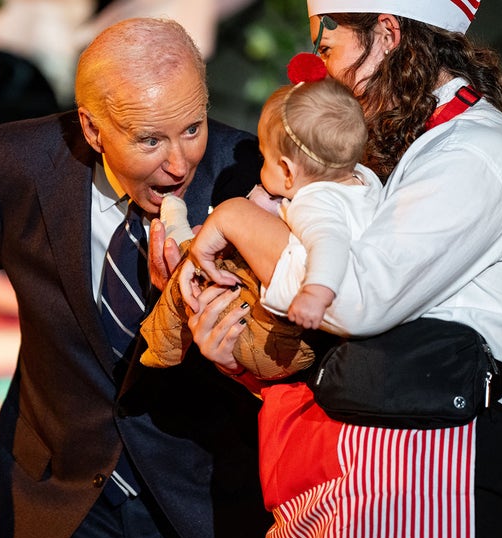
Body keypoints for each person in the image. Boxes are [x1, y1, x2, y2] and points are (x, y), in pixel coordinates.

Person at [0, 17, 273, 538]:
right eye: (149, 139)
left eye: (192, 128)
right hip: (58, 494)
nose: (179, 163)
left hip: (198, 498)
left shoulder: (249, 176)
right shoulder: (19, 165)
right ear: (93, 129)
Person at [174, 1, 502, 538]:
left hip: (425, 479)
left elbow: (355, 300)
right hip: (349, 478)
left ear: (386, 34)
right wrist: (242, 356)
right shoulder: (408, 147)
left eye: (329, 49)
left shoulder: (473, 151)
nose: (321, 72)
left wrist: (235, 219)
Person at [140, 74, 381, 379]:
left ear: (287, 172)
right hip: (291, 346)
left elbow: (329, 243)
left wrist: (315, 293)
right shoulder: (364, 183)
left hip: (276, 340)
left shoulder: (317, 205)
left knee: (196, 269)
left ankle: (163, 347)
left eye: (264, 159)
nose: (259, 168)